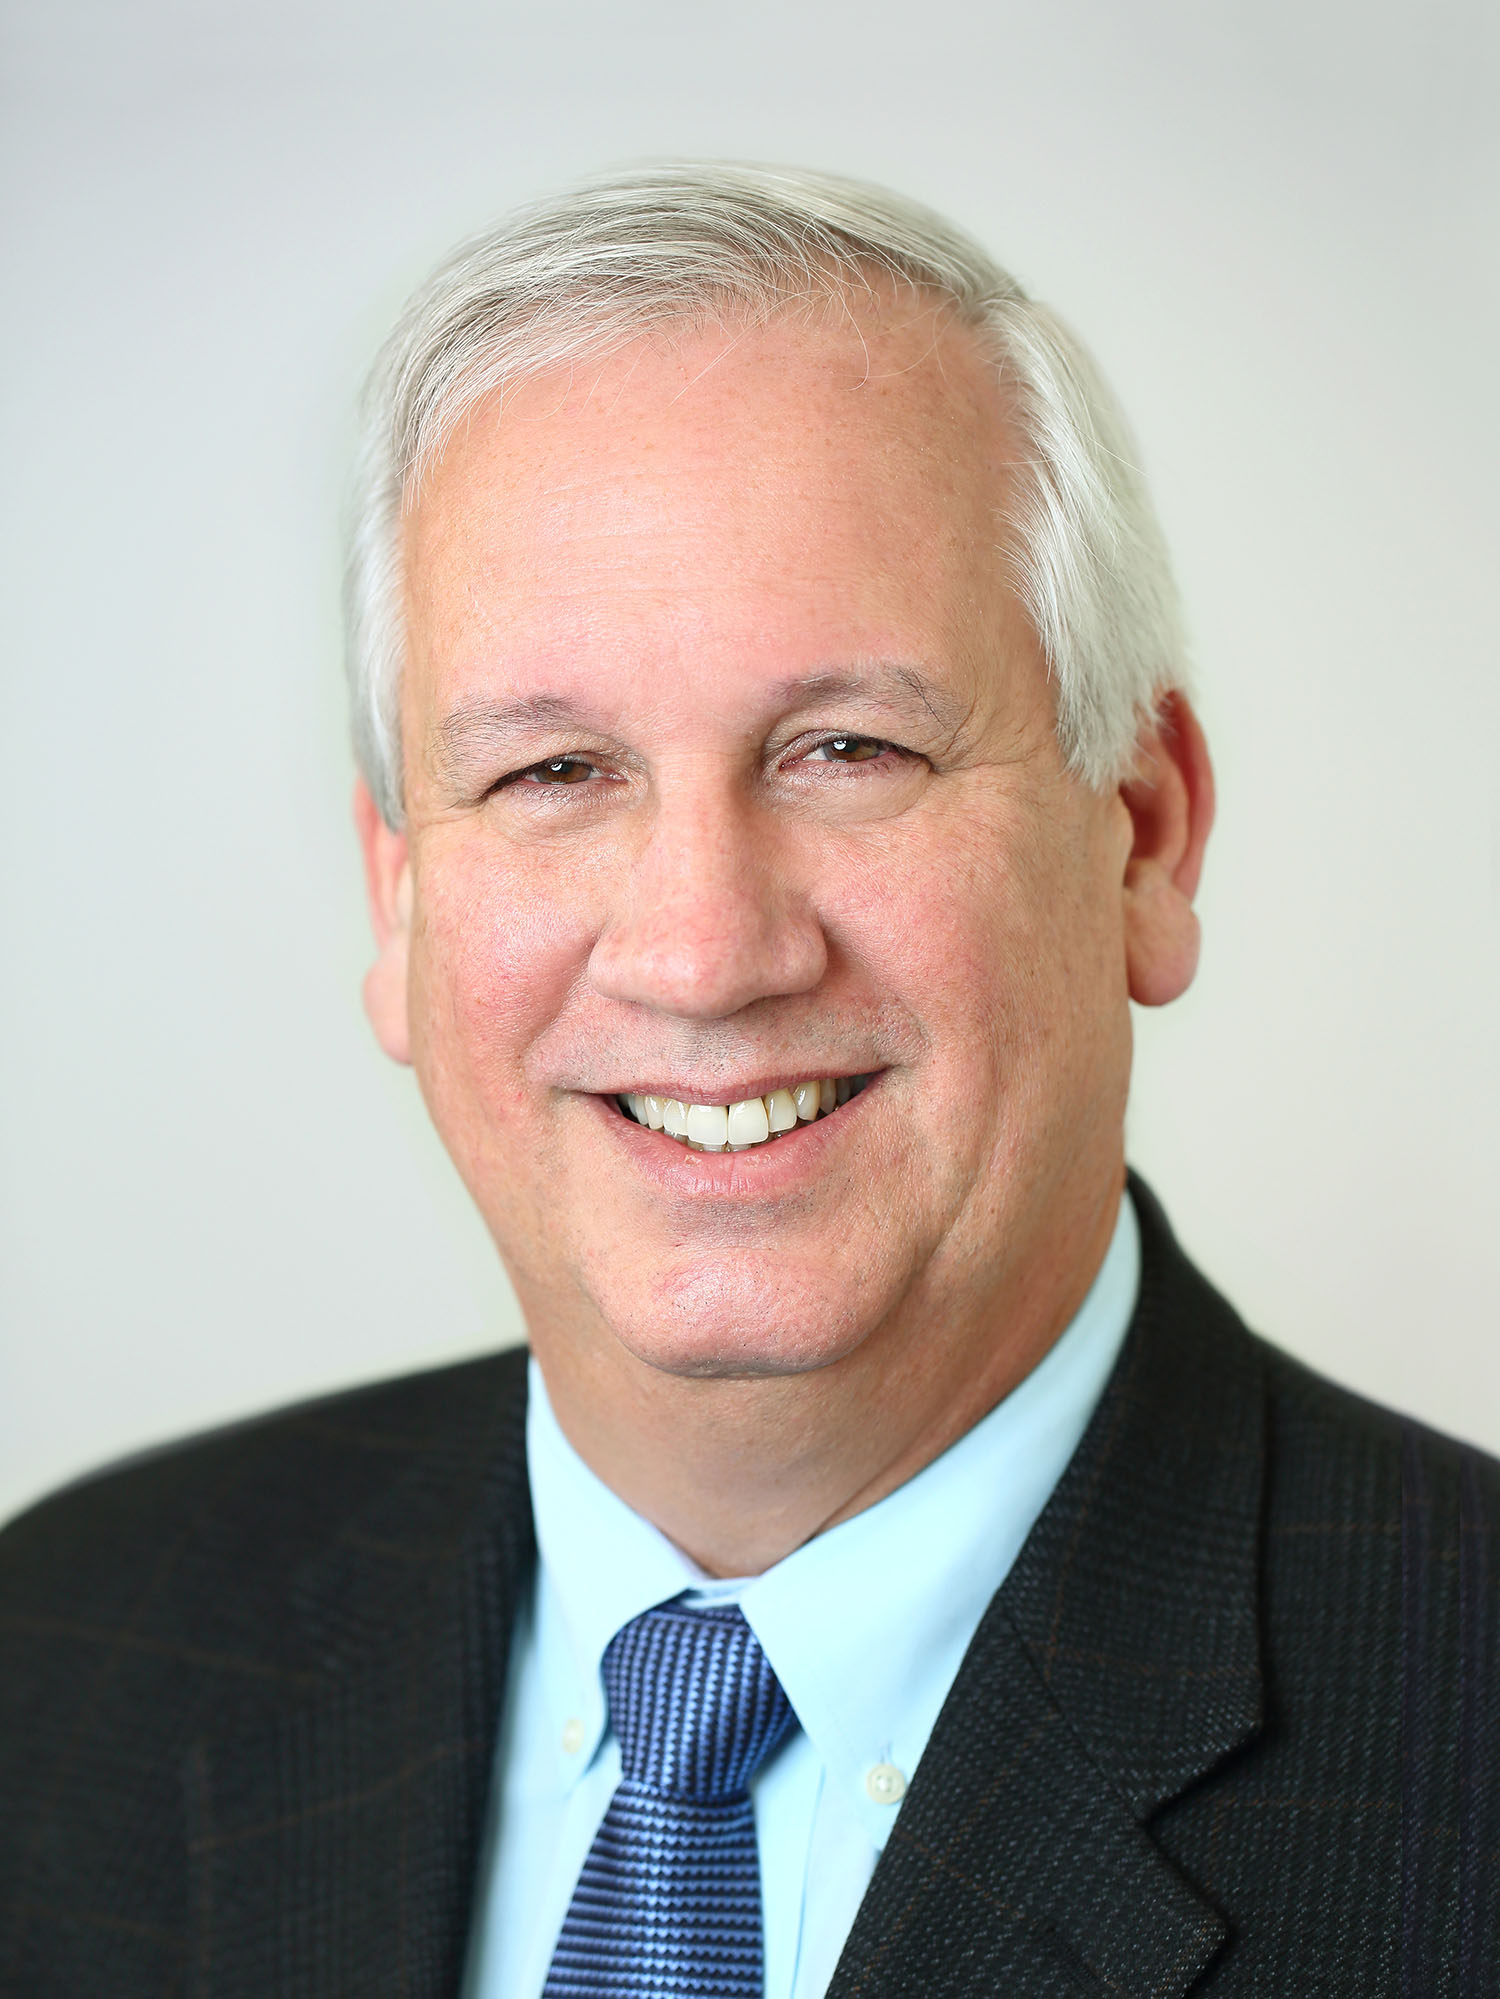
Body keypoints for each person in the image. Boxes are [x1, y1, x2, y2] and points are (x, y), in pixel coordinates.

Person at [0, 162, 1493, 1999]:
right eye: (554, 774)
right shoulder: (68, 1655)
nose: (704, 954)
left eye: (847, 748)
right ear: (401, 895)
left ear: (1146, 839)